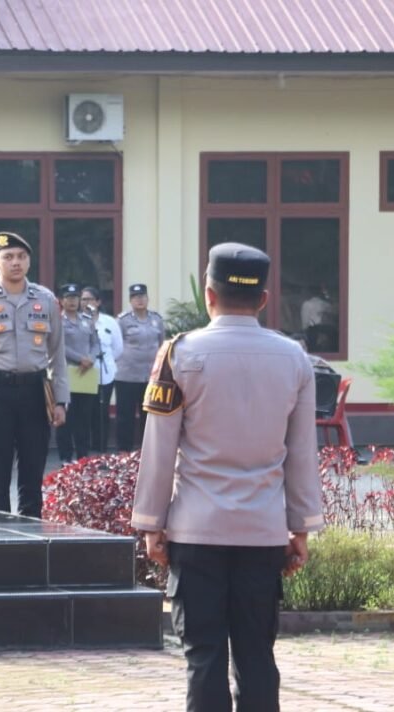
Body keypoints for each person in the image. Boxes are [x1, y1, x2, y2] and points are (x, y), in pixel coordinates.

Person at [131, 242, 324, 712]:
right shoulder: (294, 359)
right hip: (261, 533)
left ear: (208, 295)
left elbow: (159, 447)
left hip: (197, 532)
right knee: (258, 656)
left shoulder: (179, 354)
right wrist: (300, 527)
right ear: (263, 299)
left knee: (203, 657)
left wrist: (152, 523)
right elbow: (301, 453)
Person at [0, 231, 68, 518]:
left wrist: (60, 401)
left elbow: (58, 353)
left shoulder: (46, 300)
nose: (15, 262)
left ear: (29, 262)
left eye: (21, 257)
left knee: (33, 473)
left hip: (35, 393)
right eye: (8, 257)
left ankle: (32, 541)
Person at [113, 283, 165, 451]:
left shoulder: (156, 319)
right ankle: (124, 450)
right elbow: (115, 344)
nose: (140, 300)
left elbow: (162, 343)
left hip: (150, 376)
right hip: (127, 376)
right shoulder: (123, 320)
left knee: (148, 415)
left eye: (142, 296)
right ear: (130, 301)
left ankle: (147, 450)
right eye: (136, 297)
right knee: (125, 416)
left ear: (148, 299)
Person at [56, 283, 99, 464]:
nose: (72, 302)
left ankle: (83, 456)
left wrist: (90, 358)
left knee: (84, 416)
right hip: (67, 373)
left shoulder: (86, 320)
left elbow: (96, 343)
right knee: (67, 416)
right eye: (68, 298)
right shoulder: (58, 321)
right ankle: (65, 456)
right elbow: (59, 345)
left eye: (75, 298)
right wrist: (80, 358)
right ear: (61, 301)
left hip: (86, 374)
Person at [81, 286, 123, 452]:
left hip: (105, 373)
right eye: (83, 299)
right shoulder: (78, 320)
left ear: (98, 302)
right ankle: (85, 451)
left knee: (102, 411)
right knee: (86, 412)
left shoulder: (109, 322)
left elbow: (118, 348)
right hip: (83, 374)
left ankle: (101, 449)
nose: (86, 303)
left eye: (90, 299)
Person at [301, 284, 338, 352]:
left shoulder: (307, 304)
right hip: (326, 332)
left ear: (309, 292)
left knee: (312, 350)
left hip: (313, 331)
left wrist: (304, 332)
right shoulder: (326, 304)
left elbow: (305, 322)